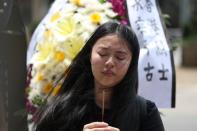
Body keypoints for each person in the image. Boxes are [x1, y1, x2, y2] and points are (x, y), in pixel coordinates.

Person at [35, 21, 165, 131]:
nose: (110, 63)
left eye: (120, 57)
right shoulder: (60, 111)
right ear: (90, 55)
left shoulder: (145, 113)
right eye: (102, 54)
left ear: (131, 63)